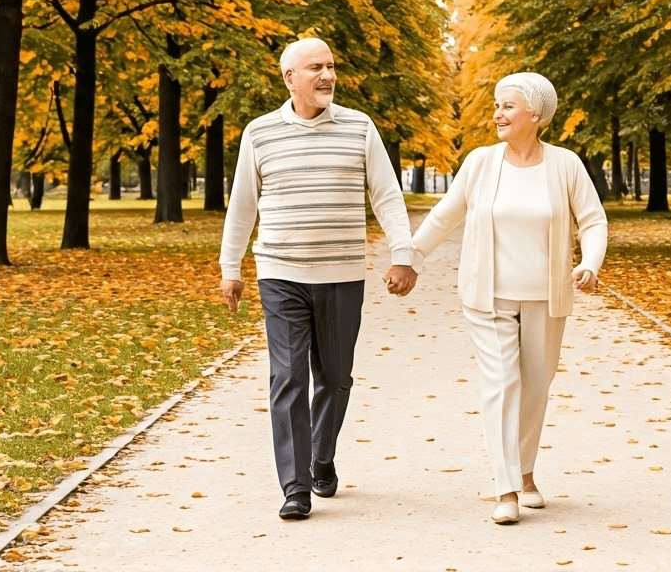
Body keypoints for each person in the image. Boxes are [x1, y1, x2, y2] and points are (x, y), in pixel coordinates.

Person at [219, 37, 418, 521]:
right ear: (290, 78)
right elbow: (243, 204)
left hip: (341, 274)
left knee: (334, 376)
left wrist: (403, 254)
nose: (327, 75)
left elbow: (387, 196)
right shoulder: (260, 133)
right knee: (288, 376)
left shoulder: (359, 126)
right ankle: (295, 486)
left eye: (331, 66)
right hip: (279, 273)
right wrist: (231, 269)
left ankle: (321, 456)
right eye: (316, 68)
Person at [411, 71, 607, 524]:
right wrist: (411, 257)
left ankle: (526, 470)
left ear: (535, 115)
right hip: (489, 295)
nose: (497, 114)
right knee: (502, 383)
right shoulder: (481, 162)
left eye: (507, 106)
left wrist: (590, 264)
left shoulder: (565, 165)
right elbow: (445, 216)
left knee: (536, 386)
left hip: (547, 295)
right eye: (496, 105)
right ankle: (506, 489)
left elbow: (593, 220)